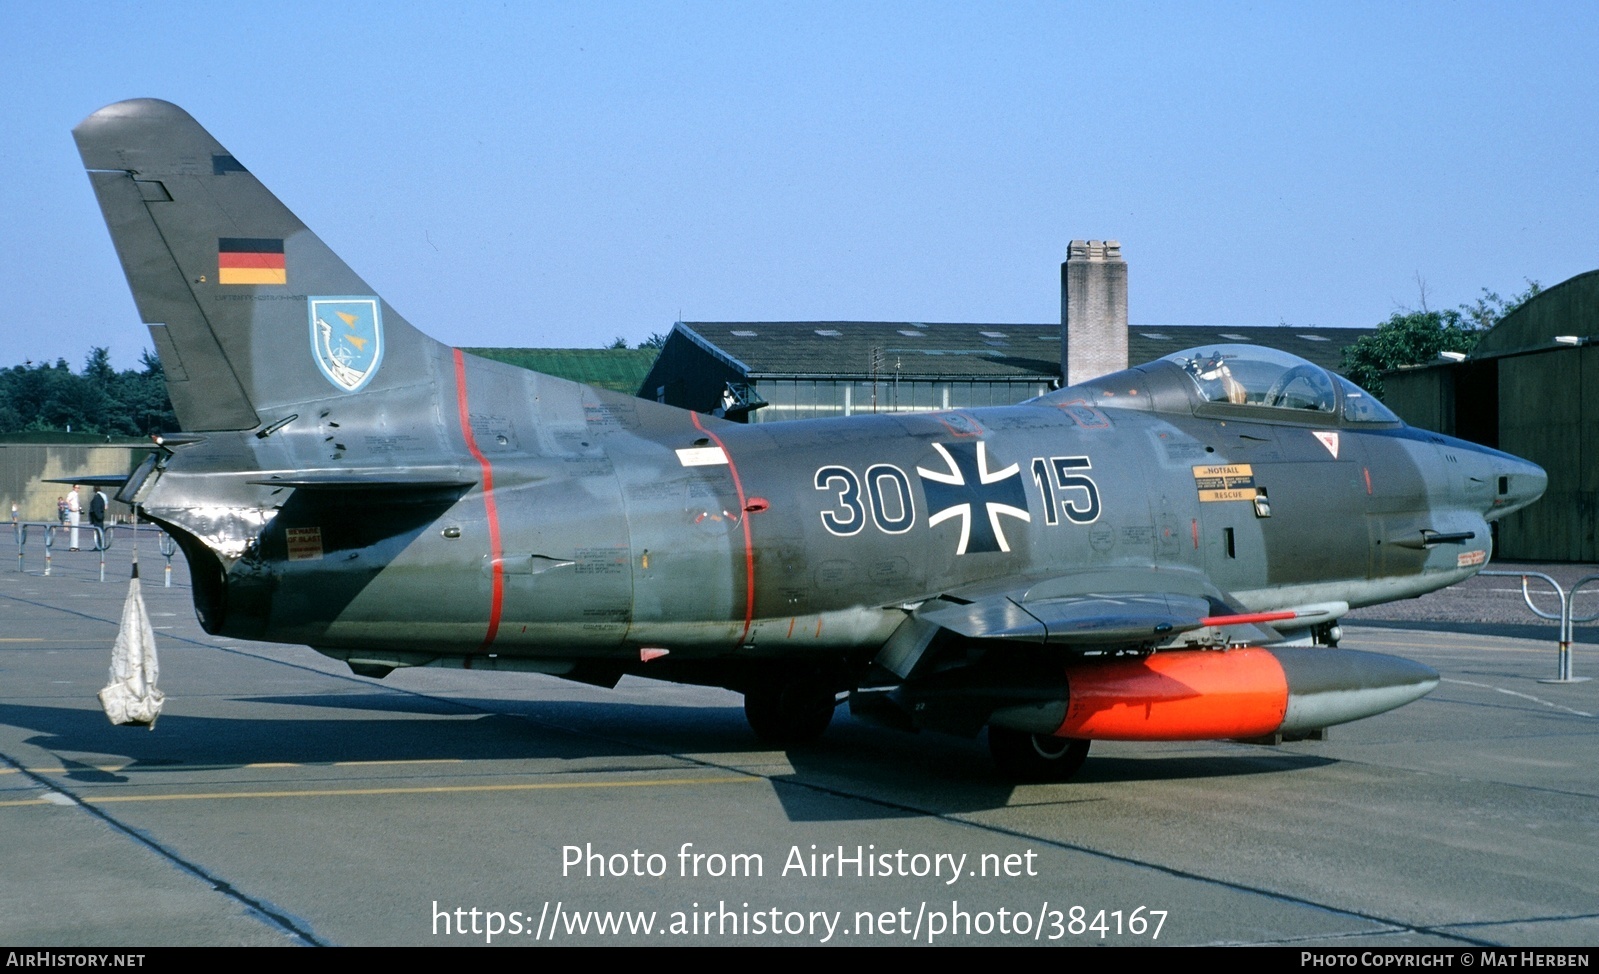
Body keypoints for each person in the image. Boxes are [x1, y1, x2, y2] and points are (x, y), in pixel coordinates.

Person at [66, 485, 81, 551]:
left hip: (76, 512)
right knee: (74, 529)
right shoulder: (72, 494)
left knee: (76, 529)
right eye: (76, 487)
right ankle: (73, 546)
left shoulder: (76, 494)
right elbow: (67, 500)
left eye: (78, 488)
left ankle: (75, 545)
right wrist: (71, 508)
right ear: (73, 488)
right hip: (73, 512)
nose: (77, 489)